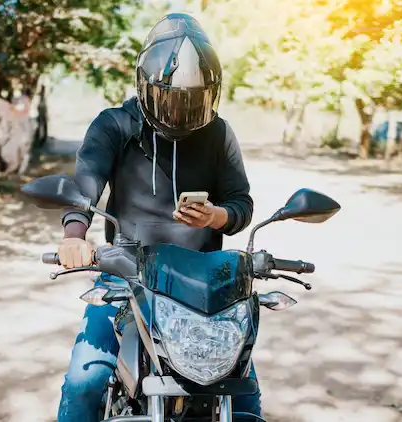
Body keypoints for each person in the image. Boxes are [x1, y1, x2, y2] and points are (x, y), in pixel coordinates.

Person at [56, 13, 259, 422]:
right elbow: (84, 188)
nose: (181, 111)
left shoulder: (219, 134)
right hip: (128, 270)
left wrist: (216, 217)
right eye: (172, 99)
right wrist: (74, 235)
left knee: (244, 395)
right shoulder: (115, 124)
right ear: (146, 86)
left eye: (194, 100)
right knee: (84, 383)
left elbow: (241, 203)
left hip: (204, 280)